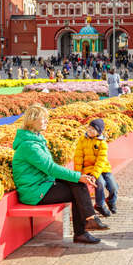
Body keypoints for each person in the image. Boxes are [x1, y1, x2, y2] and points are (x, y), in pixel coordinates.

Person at [12, 104, 109, 244]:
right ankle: (86, 225)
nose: (46, 121)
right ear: (32, 121)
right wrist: (79, 176)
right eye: (43, 119)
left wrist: (78, 177)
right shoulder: (30, 145)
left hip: (43, 185)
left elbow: (49, 169)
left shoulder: (35, 140)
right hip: (34, 192)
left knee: (78, 184)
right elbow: (50, 168)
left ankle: (87, 224)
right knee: (78, 186)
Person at [74, 119, 118, 217]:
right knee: (101, 183)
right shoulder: (82, 140)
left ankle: (111, 201)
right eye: (89, 128)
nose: (89, 130)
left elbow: (101, 161)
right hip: (89, 168)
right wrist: (77, 173)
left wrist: (95, 174)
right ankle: (100, 205)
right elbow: (78, 156)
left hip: (103, 168)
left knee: (114, 187)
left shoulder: (102, 143)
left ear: (99, 131)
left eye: (93, 129)